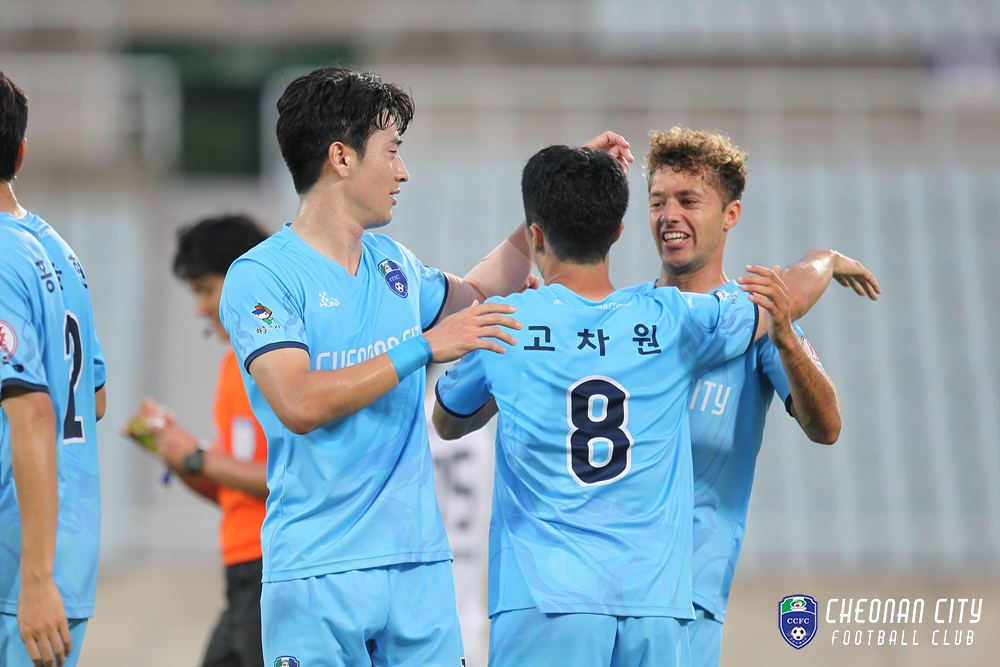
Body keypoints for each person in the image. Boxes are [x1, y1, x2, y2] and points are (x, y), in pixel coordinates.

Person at [219, 67, 546, 667]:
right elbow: (298, 402)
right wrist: (422, 348)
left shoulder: (393, 263)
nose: (403, 171)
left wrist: (547, 208)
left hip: (418, 564)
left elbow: (474, 295)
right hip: (316, 570)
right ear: (341, 157)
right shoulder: (261, 276)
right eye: (392, 151)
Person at [433, 144, 798, 667]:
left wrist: (511, 374)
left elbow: (447, 421)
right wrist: (823, 262)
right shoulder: (674, 318)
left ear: (536, 236)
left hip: (544, 600)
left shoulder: (506, 320)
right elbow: (776, 303)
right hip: (654, 604)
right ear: (619, 232)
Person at [632, 127, 880, 667]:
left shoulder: (767, 327)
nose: (669, 215)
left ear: (731, 215)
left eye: (688, 200)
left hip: (688, 595)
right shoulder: (624, 314)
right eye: (657, 201)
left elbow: (828, 426)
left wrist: (787, 338)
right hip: (604, 587)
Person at [124, 214, 270, 667]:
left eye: (206, 290)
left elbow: (293, 479)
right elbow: (232, 490)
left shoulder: (281, 364)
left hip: (276, 568)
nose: (199, 308)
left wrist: (197, 457)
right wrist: (175, 453)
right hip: (243, 573)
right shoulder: (233, 365)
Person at [0, 70, 106, 667]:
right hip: (63, 558)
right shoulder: (56, 248)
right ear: (19, 154)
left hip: (19, 572)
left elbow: (36, 412)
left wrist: (34, 578)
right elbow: (94, 398)